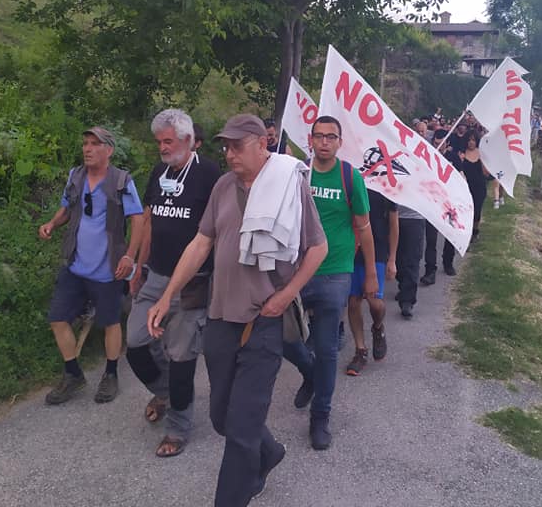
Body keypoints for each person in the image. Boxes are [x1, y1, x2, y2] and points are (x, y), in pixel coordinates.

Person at [146, 114, 327, 506]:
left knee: (242, 428)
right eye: (225, 146)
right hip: (221, 317)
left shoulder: (289, 185)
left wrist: (287, 294)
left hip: (265, 319)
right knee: (221, 416)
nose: (229, 154)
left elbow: (318, 247)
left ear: (262, 144)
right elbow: (201, 243)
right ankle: (270, 452)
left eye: (237, 146)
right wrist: (167, 295)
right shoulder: (223, 186)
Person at [126, 109, 221, 457]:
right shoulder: (159, 172)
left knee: (182, 356)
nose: (163, 148)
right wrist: (139, 266)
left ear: (188, 139)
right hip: (155, 275)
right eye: (159, 142)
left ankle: (178, 428)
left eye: (168, 141)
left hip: (192, 284)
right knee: (135, 344)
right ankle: (164, 391)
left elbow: (218, 230)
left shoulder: (209, 173)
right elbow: (150, 221)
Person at [283, 115, 376, 450]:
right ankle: (309, 373)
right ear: (310, 140)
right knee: (282, 336)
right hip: (295, 270)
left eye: (331, 137)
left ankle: (320, 416)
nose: (324, 142)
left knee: (326, 349)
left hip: (335, 271)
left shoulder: (350, 177)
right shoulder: (297, 174)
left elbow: (364, 227)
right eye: (319, 136)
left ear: (339, 142)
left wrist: (371, 272)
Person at [38, 126, 143, 405]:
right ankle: (73, 374)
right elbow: (66, 208)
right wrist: (52, 223)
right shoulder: (76, 176)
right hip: (75, 265)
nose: (87, 149)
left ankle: (111, 373)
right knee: (58, 318)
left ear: (109, 150)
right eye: (85, 143)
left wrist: (129, 256)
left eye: (95, 144)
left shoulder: (121, 181)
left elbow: (138, 219)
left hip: (108, 268)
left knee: (110, 322)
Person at [346, 187, 396, 374]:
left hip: (378, 247)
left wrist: (392, 259)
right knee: (353, 301)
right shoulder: (350, 178)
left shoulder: (386, 184)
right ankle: (360, 350)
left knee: (374, 300)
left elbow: (394, 223)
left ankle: (377, 326)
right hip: (352, 245)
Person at [422, 129, 459, 284]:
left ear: (447, 143)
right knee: (431, 239)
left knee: (449, 233)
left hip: (449, 202)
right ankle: (430, 270)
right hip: (432, 202)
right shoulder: (428, 156)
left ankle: (448, 262)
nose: (438, 145)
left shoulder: (453, 157)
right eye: (436, 143)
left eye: (441, 143)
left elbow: (460, 177)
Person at [395, 202, 425, 319]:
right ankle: (403, 287)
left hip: (415, 218)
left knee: (412, 260)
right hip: (394, 216)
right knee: (398, 260)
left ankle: (407, 301)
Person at [459, 133, 488, 240]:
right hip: (466, 187)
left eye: (473, 140)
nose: (471, 142)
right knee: (466, 211)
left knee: (477, 210)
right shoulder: (461, 153)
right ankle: (466, 232)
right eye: (469, 140)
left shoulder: (482, 153)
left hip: (479, 187)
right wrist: (460, 160)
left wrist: (483, 161)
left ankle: (475, 231)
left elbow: (486, 173)